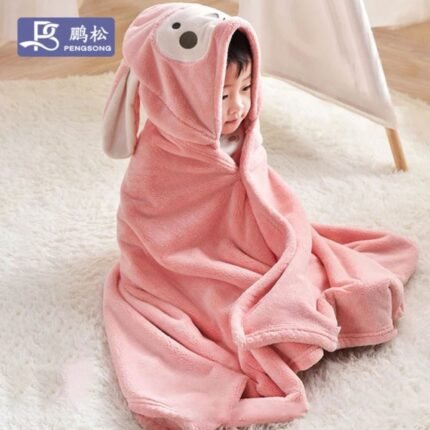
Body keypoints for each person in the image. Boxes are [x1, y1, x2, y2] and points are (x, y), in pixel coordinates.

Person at [220, 30, 252, 165]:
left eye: (246, 87)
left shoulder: (248, 132)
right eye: (223, 96)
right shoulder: (173, 147)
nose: (238, 106)